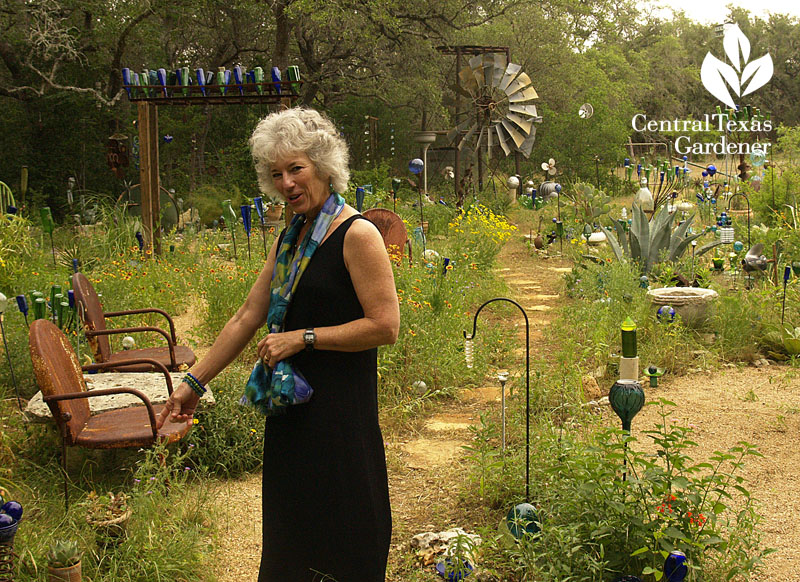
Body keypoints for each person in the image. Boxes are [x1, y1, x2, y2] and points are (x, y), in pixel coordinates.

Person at [157, 107, 400, 581]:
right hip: (291, 414)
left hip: (341, 419)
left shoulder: (357, 234)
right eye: (276, 174)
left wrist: (303, 339)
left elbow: (385, 326)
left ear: (323, 166)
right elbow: (248, 315)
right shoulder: (290, 236)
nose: (286, 183)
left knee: (346, 538)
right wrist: (192, 382)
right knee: (292, 544)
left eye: (296, 169)